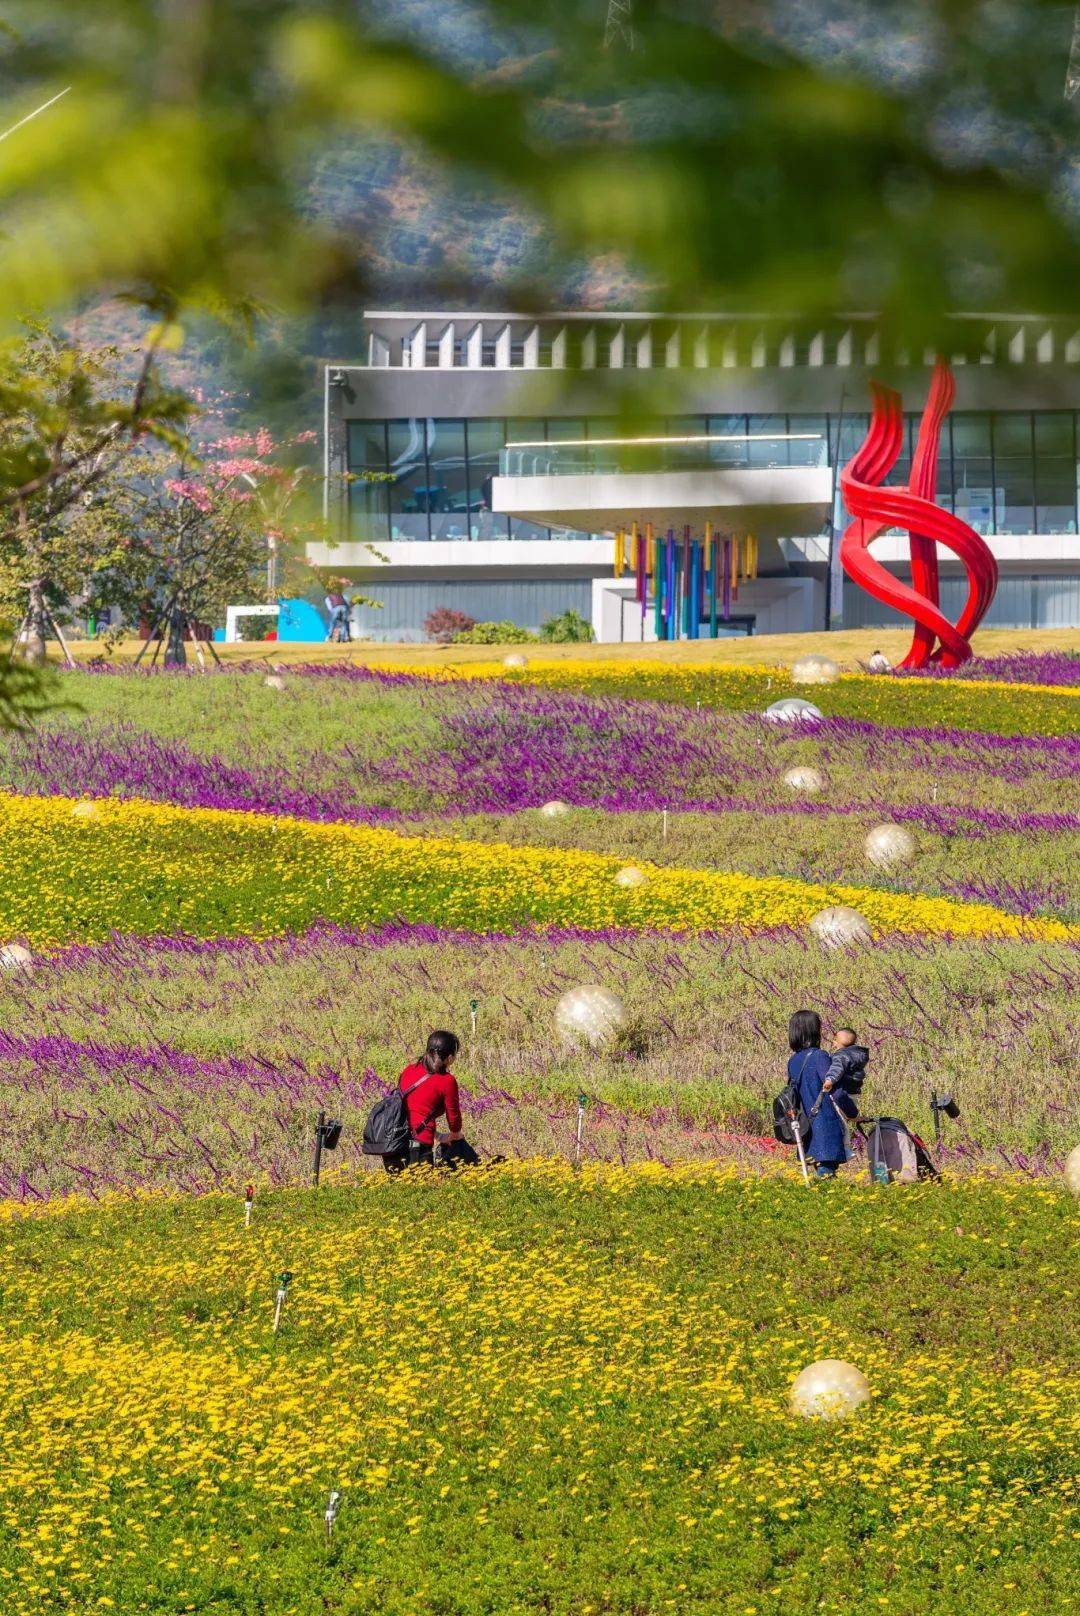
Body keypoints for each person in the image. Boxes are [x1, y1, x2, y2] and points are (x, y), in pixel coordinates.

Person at [383, 1030, 473, 1174]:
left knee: (398, 1190)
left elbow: (413, 1111)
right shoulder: (447, 1081)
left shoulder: (409, 1070)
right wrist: (454, 1135)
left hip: (393, 1143)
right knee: (423, 1191)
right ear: (449, 1058)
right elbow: (454, 1119)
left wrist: (439, 1136)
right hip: (418, 1146)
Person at [786, 1009, 850, 1178]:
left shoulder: (793, 1061)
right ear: (814, 1031)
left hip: (805, 1125)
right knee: (826, 1175)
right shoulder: (819, 1056)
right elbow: (834, 1090)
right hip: (823, 1125)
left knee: (819, 1173)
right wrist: (852, 1113)